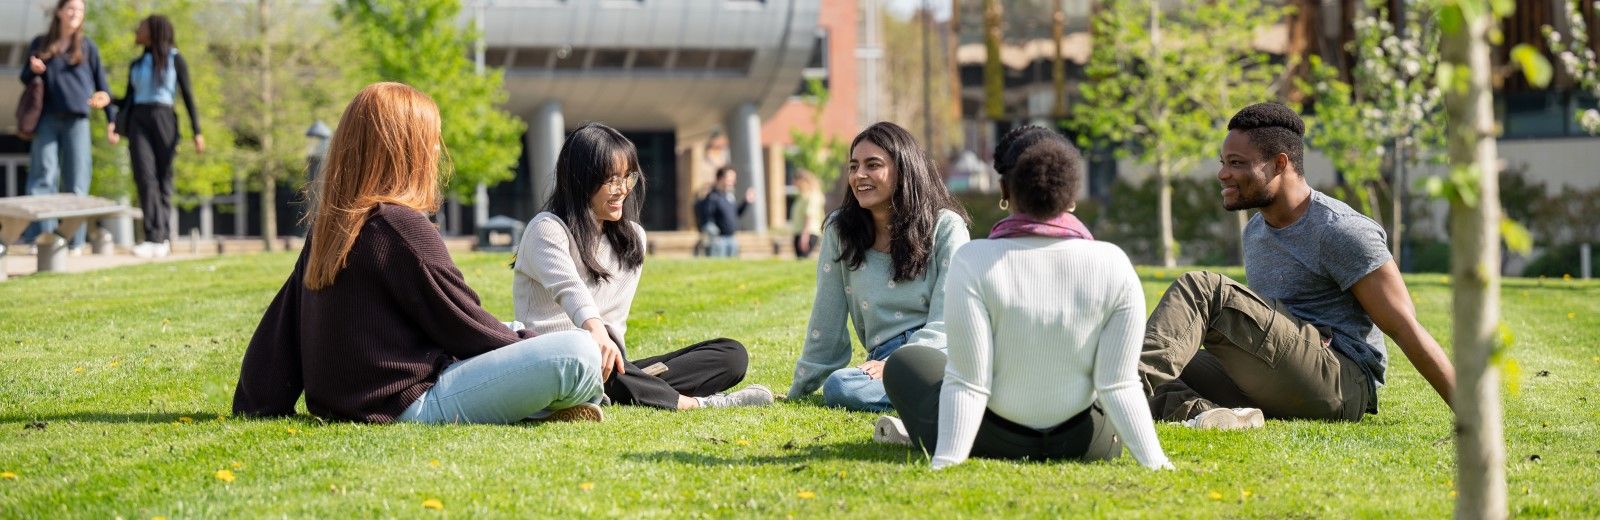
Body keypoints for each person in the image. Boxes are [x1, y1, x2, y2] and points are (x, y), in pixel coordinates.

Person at [233, 83, 605, 424]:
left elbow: (281, 328)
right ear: (404, 148)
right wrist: (532, 347)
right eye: (431, 139)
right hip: (409, 404)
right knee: (576, 353)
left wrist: (257, 402)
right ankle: (545, 404)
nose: (436, 150)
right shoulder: (400, 226)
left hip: (354, 402)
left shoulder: (334, 228)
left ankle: (541, 401)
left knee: (520, 332)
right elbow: (466, 326)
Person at [1140, 102, 1456, 429]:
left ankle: (1124, 393)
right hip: (1281, 373)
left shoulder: (1341, 230)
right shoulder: (1256, 231)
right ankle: (1205, 414)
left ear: (1280, 164)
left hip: (1341, 382)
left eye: (1236, 163)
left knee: (1203, 289)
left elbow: (1406, 327)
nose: (1223, 174)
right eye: (1223, 163)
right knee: (1155, 346)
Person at [879, 126, 1171, 471]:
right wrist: (1156, 463)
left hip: (991, 441)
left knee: (904, 363)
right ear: (1071, 194)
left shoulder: (973, 260)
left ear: (1004, 189)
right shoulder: (1114, 262)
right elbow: (1117, 383)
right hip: (1086, 443)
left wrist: (946, 461)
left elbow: (970, 382)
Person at [513, 122, 773, 411]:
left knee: (731, 355)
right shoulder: (546, 229)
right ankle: (694, 404)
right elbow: (569, 289)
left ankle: (624, 389)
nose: (623, 189)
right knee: (585, 352)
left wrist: (619, 363)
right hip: (557, 362)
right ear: (581, 180)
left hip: (611, 367)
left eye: (628, 177)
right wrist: (595, 332)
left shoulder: (632, 239)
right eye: (612, 180)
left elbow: (615, 323)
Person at [787, 121, 971, 412]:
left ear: (903, 170)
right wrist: (799, 391)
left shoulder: (946, 226)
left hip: (941, 351)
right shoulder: (840, 230)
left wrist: (902, 362)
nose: (859, 175)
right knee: (841, 386)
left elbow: (949, 317)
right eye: (853, 166)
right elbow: (827, 318)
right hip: (882, 359)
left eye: (873, 165)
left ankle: (950, 392)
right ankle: (951, 397)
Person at [17, 0, 114, 255]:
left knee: (77, 180)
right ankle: (43, 237)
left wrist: (110, 119)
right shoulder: (41, 43)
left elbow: (103, 87)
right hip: (47, 118)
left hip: (78, 120)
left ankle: (74, 241)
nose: (75, 14)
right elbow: (24, 78)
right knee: (43, 177)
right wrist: (33, 69)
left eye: (80, 10)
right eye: (71, 8)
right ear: (60, 12)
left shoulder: (88, 47)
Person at [108, 15, 205, 259]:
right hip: (138, 120)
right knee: (144, 177)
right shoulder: (136, 64)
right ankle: (152, 237)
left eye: (141, 27)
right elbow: (129, 99)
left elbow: (188, 97)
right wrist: (108, 100)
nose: (137, 30)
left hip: (164, 119)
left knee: (163, 180)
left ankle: (162, 238)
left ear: (154, 31)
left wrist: (197, 132)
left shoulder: (175, 59)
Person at [700, 166, 755, 257]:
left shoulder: (729, 197)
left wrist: (746, 202)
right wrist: (714, 236)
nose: (733, 182)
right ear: (720, 178)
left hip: (731, 239)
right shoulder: (712, 197)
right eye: (730, 178)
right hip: (719, 241)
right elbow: (706, 218)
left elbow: (736, 214)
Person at [787, 171, 825, 259]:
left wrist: (805, 236)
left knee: (803, 258)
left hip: (808, 233)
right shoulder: (801, 196)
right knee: (800, 260)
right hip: (799, 232)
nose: (793, 183)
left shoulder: (812, 195)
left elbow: (809, 216)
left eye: (795, 181)